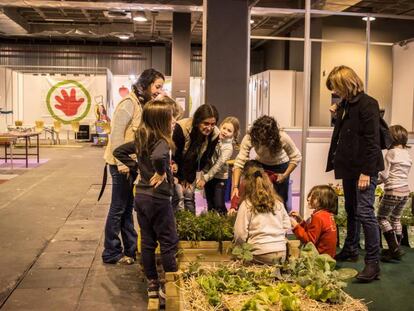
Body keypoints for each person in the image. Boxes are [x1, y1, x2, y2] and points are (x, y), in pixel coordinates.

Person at [113, 100, 178, 298]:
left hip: (141, 196)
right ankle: (170, 285)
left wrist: (137, 168)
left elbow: (119, 151)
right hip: (159, 198)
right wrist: (159, 172)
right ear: (161, 121)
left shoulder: (142, 138)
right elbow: (159, 156)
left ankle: (152, 284)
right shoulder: (162, 141)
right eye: (170, 117)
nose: (174, 121)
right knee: (168, 242)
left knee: (148, 242)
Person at [326, 65, 384, 282]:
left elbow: (372, 141)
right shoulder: (346, 104)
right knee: (351, 209)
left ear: (346, 84)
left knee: (365, 213)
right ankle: (351, 249)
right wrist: (337, 112)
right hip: (348, 166)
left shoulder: (368, 104)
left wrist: (367, 172)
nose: (336, 93)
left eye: (337, 88)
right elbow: (345, 133)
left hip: (364, 169)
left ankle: (372, 263)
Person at [101, 68, 165, 264]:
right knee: (118, 209)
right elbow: (116, 135)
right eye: (157, 86)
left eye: (161, 87)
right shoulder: (129, 103)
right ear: (145, 84)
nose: (159, 91)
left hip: (130, 165)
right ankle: (111, 252)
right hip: (121, 164)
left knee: (127, 209)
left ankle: (129, 249)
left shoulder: (142, 103)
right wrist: (122, 164)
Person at [231, 115, 301, 213]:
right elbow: (239, 162)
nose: (262, 142)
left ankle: (281, 224)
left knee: (279, 201)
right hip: (261, 165)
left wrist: (285, 175)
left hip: (281, 166)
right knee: (259, 196)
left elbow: (296, 157)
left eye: (264, 140)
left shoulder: (282, 137)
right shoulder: (250, 136)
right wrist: (235, 187)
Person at [234, 162, 291, 265]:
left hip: (259, 252)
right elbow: (287, 226)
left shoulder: (247, 205)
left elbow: (240, 234)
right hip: (281, 252)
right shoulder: (278, 203)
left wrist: (241, 251)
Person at [172, 104, 220, 213]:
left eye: (213, 124)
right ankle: (175, 227)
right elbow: (176, 155)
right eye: (206, 123)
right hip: (177, 167)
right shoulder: (182, 127)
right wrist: (180, 178)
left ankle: (191, 227)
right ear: (198, 121)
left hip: (192, 169)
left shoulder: (215, 133)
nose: (209, 128)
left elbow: (205, 158)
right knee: (179, 195)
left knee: (189, 196)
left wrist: (189, 179)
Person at [377, 125, 412, 262]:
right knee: (396, 219)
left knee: (381, 218)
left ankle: (394, 248)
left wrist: (376, 181)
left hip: (393, 191)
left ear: (391, 137)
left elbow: (385, 175)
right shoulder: (406, 153)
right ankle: (396, 249)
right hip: (405, 191)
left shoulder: (391, 152)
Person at [196, 117, 240, 215]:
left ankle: (225, 224)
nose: (225, 132)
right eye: (224, 128)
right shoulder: (214, 137)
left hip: (219, 178)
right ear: (220, 126)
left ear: (234, 134)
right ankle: (212, 227)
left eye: (229, 131)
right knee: (210, 204)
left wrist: (205, 178)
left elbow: (218, 165)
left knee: (219, 205)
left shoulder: (228, 148)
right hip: (208, 176)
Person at [290, 185, 338, 258]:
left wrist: (295, 225)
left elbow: (309, 241)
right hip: (328, 258)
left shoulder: (318, 217)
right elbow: (313, 232)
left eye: (313, 197)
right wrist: (301, 221)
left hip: (319, 258)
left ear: (324, 200)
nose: (308, 199)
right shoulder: (327, 214)